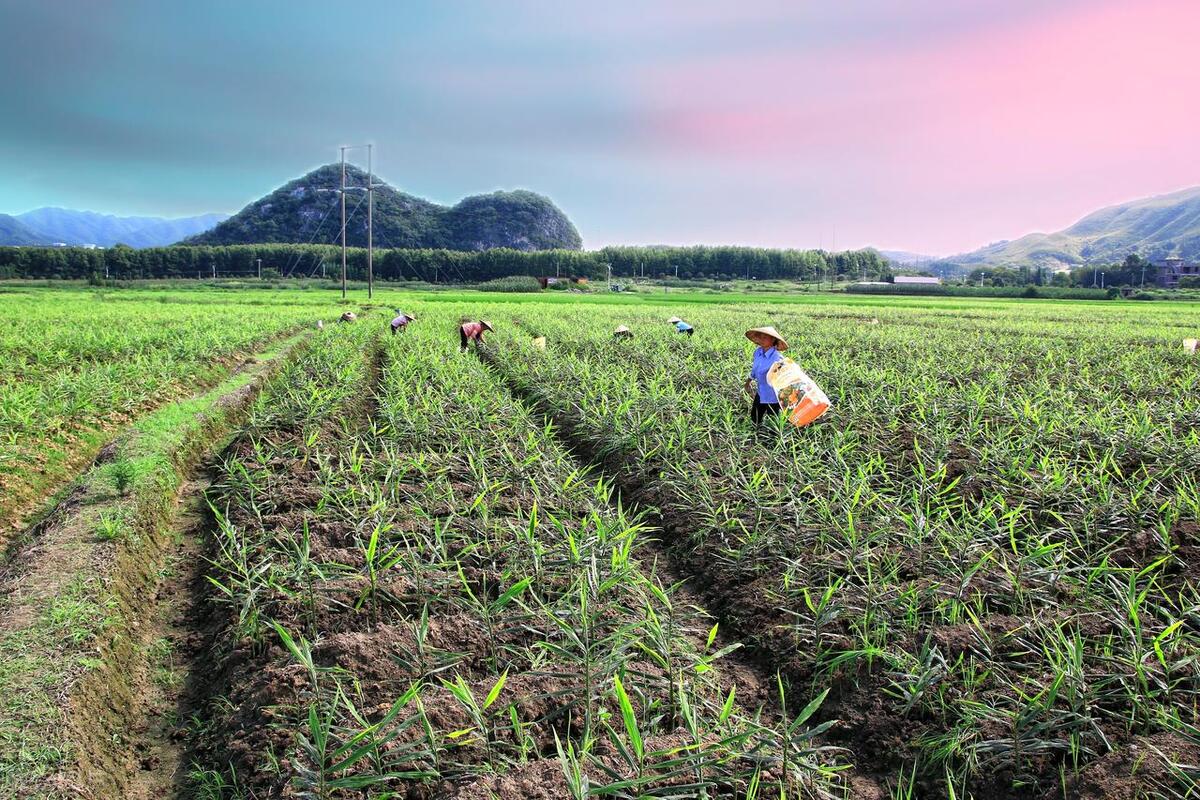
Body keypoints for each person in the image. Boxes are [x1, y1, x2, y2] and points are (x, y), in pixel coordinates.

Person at [744, 325, 788, 426]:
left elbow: (784, 378)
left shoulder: (777, 358)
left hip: (773, 396)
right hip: (761, 392)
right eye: (760, 337)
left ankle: (773, 436)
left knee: (774, 423)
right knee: (755, 417)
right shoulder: (758, 352)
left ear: (773, 340)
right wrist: (748, 382)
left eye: (765, 337)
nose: (761, 339)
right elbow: (755, 370)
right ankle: (756, 432)